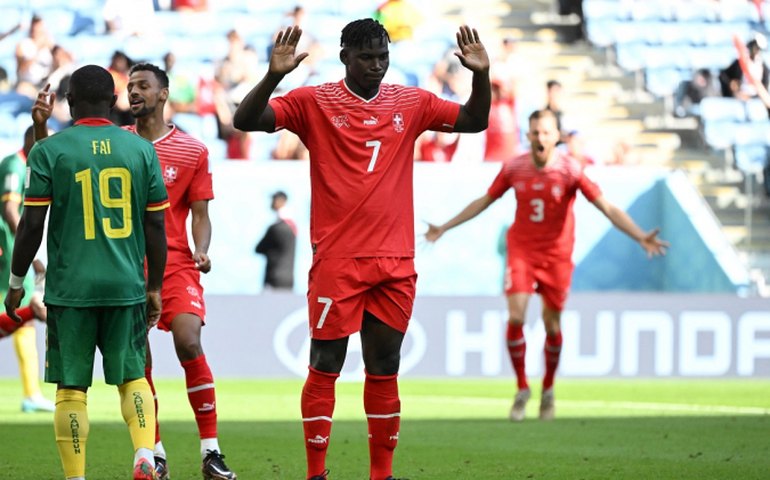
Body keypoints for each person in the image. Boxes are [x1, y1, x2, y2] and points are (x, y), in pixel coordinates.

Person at [232, 19, 491, 480]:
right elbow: (246, 120)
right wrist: (274, 76)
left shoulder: (411, 103)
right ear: (345, 57)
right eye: (367, 57)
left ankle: (381, 474)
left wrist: (481, 75)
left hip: (395, 260)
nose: (377, 66)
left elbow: (475, 121)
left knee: (385, 365)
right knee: (325, 363)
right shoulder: (314, 101)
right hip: (338, 259)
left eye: (383, 57)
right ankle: (316, 473)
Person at [34, 62, 237, 480]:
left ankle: (211, 450)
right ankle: (154, 452)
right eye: (130, 87)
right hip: (125, 265)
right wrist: (40, 129)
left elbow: (200, 213)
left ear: (164, 94)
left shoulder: (192, 149)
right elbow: (56, 162)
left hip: (176, 264)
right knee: (135, 366)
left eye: (144, 86)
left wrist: (202, 249)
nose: (135, 92)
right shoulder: (115, 142)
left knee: (188, 340)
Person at [425, 109, 668, 422]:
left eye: (546, 132)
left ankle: (549, 389)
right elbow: (484, 201)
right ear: (528, 135)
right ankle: (522, 387)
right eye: (535, 132)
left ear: (558, 137)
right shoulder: (514, 167)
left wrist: (639, 236)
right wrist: (445, 226)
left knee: (552, 325)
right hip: (522, 252)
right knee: (516, 315)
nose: (540, 138)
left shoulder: (571, 170)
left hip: (557, 257)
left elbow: (606, 207)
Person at [5, 64, 168, 480]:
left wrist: (16, 283)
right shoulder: (141, 150)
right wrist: (154, 288)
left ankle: (76, 476)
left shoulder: (48, 150)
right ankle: (145, 454)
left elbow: (30, 225)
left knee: (71, 390)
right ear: (114, 102)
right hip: (125, 285)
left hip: (70, 289)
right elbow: (156, 227)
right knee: (132, 378)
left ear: (69, 102)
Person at [0, 125, 54, 413]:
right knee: (21, 313)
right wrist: (27, 251)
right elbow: (10, 210)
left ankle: (31, 393)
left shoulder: (30, 168)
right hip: (7, 253)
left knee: (23, 320)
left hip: (13, 250)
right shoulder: (14, 165)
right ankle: (31, 393)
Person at [255, 190, 297, 291]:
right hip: (288, 278)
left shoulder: (276, 228)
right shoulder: (292, 227)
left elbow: (258, 248)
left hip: (273, 278)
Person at [719, 33, 770, 100]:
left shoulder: (764, 68)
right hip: (738, 99)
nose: (754, 50)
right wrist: (730, 83)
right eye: (752, 46)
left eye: (757, 48)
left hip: (755, 101)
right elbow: (723, 75)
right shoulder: (739, 63)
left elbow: (764, 90)